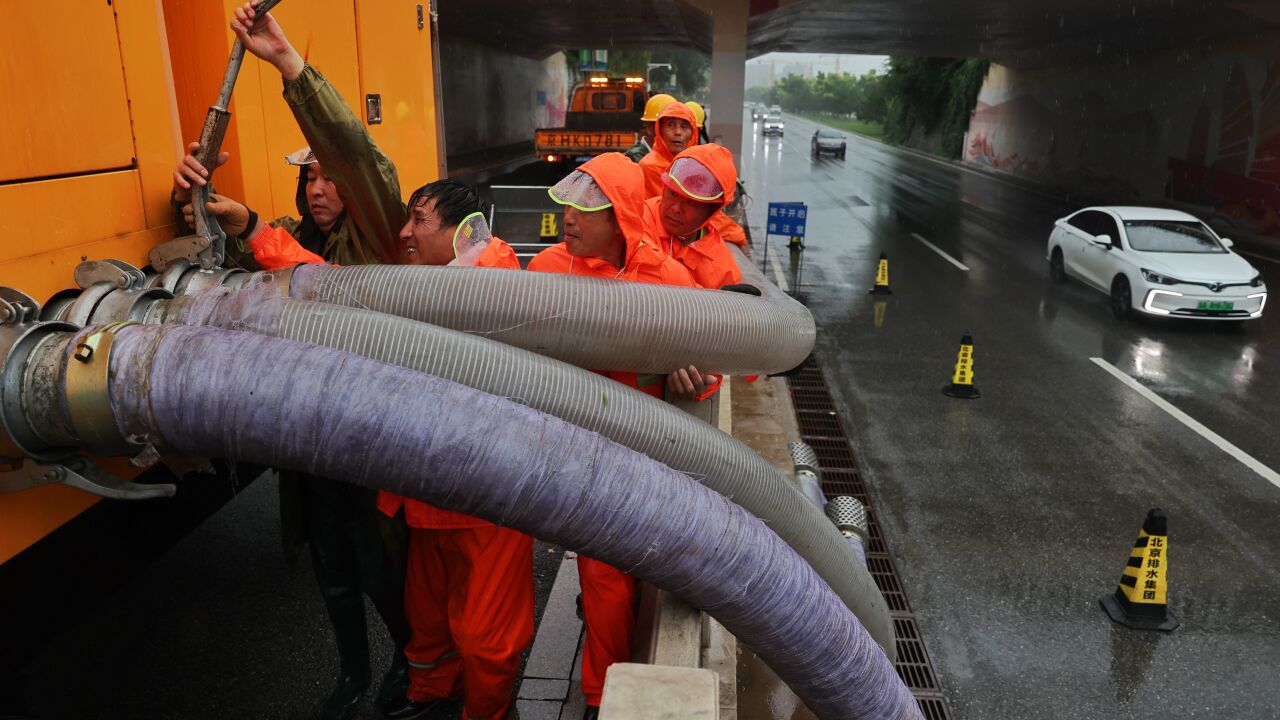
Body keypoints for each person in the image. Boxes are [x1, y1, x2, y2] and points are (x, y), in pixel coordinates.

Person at [173, 4, 417, 720]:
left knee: (379, 565)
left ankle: (413, 661)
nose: (318, 186)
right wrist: (191, 190)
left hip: (367, 436)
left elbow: (353, 149)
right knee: (331, 563)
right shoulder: (278, 233)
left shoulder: (373, 239)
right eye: (308, 178)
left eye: (327, 178)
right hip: (306, 439)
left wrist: (287, 63)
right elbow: (217, 252)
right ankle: (350, 674)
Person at [527, 153, 706, 719]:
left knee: (649, 581)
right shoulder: (549, 274)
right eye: (568, 207)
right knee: (606, 586)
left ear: (622, 216)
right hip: (586, 461)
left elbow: (711, 362)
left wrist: (692, 379)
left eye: (587, 208)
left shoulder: (668, 279)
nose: (569, 219)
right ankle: (603, 698)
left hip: (653, 462)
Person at [375, 180, 533, 720]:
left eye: (418, 220)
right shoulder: (434, 282)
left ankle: (486, 712)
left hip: (485, 499)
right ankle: (432, 695)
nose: (405, 232)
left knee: (485, 633)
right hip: (428, 490)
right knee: (430, 618)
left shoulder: (493, 288)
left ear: (461, 232)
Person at [641, 144, 742, 289]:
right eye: (674, 193)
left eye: (691, 203)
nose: (676, 208)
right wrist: (711, 299)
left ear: (712, 210)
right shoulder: (637, 219)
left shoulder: (723, 270)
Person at [636, 102, 699, 198]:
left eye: (684, 126)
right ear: (660, 131)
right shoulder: (650, 166)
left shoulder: (696, 165)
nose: (678, 132)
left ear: (692, 134)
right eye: (670, 125)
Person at [624, 93, 675, 163]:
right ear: (649, 128)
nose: (677, 132)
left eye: (682, 126)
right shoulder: (636, 158)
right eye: (670, 125)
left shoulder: (667, 155)